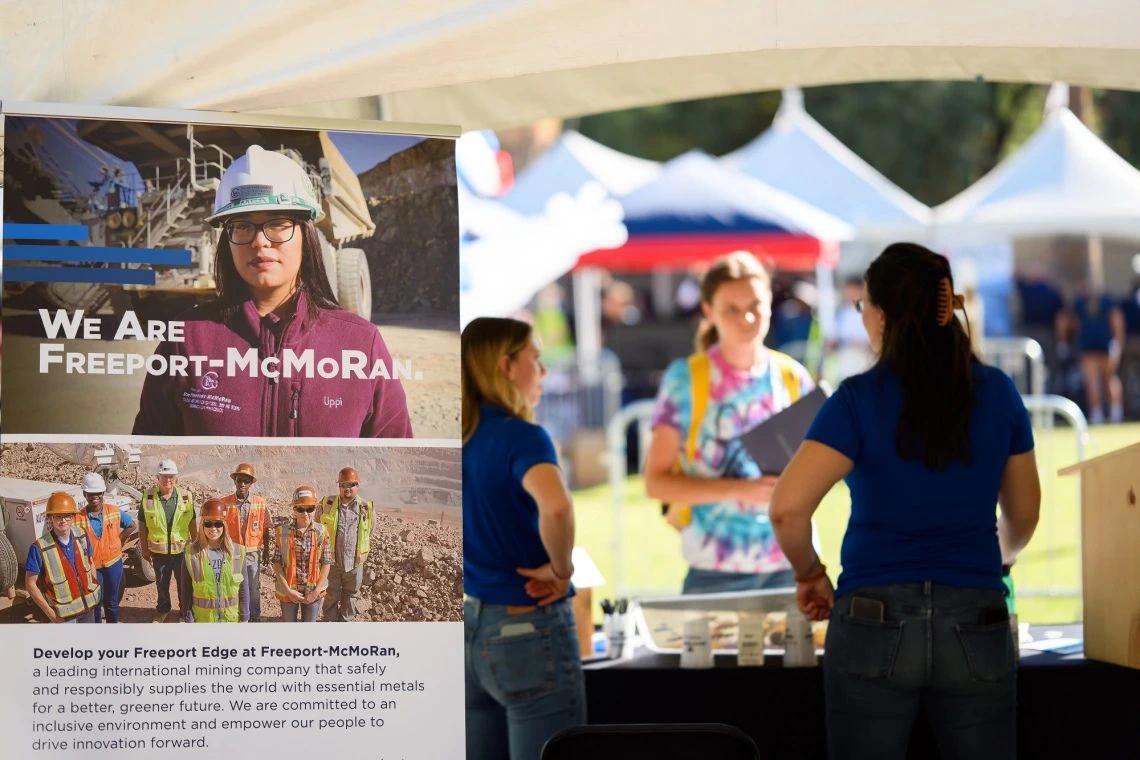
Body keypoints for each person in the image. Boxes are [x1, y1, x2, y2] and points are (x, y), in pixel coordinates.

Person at [769, 243, 1041, 760]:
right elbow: (1025, 513)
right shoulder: (998, 393)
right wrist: (995, 558)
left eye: (862, 306)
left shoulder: (856, 399)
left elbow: (787, 508)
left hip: (873, 617)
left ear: (882, 316)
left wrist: (809, 573)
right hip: (976, 616)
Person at [132, 144, 412, 438]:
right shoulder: (186, 340)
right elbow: (148, 461)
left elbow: (399, 466)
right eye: (242, 226)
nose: (259, 241)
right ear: (227, 241)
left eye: (278, 224)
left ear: (307, 233)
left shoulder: (360, 344)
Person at [643, 251, 815, 594]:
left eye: (755, 305)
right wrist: (739, 490)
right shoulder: (685, 379)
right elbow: (656, 482)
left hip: (790, 564)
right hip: (714, 571)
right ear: (708, 312)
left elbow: (817, 471)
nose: (747, 318)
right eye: (731, 309)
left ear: (770, 304)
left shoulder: (791, 376)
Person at [461, 317, 584, 760]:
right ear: (506, 365)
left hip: (470, 630)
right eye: (536, 358)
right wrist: (561, 569)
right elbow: (556, 505)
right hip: (528, 625)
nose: (544, 371)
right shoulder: (522, 436)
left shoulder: (460, 436)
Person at [25, 492, 101, 624]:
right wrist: (51, 615)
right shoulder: (39, 548)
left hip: (88, 609)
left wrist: (94, 591)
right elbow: (30, 584)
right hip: (64, 617)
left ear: (73, 517)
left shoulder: (82, 535)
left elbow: (91, 564)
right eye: (58, 516)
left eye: (67, 516)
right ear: (50, 518)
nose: (63, 520)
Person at [138, 459, 197, 623]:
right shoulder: (148, 496)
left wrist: (197, 545)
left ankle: (184, 611)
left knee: (183, 584)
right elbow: (142, 526)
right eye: (164, 476)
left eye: (171, 476)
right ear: (158, 477)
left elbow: (192, 522)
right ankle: (163, 610)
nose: (167, 480)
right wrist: (144, 549)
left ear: (176, 477)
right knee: (162, 584)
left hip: (181, 551)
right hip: (159, 552)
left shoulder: (186, 496)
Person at [72, 473, 133, 623]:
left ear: (103, 493)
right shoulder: (77, 518)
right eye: (91, 493)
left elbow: (132, 525)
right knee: (96, 604)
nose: (95, 497)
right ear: (85, 494)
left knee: (112, 602)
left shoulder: (113, 511)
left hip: (114, 565)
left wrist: (120, 540)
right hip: (92, 568)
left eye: (98, 493)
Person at [318, 466, 376, 622]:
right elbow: (316, 529)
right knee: (331, 595)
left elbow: (369, 531)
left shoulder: (366, 507)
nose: (347, 488)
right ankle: (330, 622)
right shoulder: (327, 503)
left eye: (351, 484)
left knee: (351, 596)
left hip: (355, 562)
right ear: (339, 486)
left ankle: (345, 624)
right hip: (331, 562)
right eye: (343, 484)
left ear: (357, 485)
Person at [180, 499, 248, 623]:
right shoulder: (191, 554)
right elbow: (186, 590)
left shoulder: (237, 552)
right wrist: (187, 617)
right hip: (203, 621)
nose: (213, 528)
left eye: (218, 524)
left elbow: (244, 589)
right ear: (202, 525)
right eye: (208, 524)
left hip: (231, 621)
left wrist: (245, 618)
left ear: (224, 525)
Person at [273, 485, 332, 622]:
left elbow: (326, 563)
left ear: (315, 509)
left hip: (313, 592)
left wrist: (315, 592)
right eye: (300, 509)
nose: (305, 513)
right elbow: (276, 562)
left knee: (308, 632)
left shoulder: (322, 532)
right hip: (289, 592)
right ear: (294, 509)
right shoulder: (282, 532)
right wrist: (288, 591)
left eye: (309, 509)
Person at [221, 463, 270, 622]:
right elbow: (219, 528)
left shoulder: (260, 503)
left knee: (253, 587)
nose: (242, 484)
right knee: (236, 584)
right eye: (239, 480)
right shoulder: (225, 502)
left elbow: (266, 528)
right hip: (233, 552)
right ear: (235, 481)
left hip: (252, 553)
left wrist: (267, 551)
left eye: (246, 481)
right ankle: (238, 613)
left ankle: (254, 615)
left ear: (251, 483)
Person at [1073, 287, 1126, 424]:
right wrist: (1118, 342)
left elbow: (1073, 323)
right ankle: (1113, 413)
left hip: (1091, 345)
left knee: (1095, 382)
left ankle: (1100, 415)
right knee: (1109, 379)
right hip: (1102, 344)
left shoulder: (1082, 302)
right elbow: (1117, 321)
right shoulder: (1105, 300)